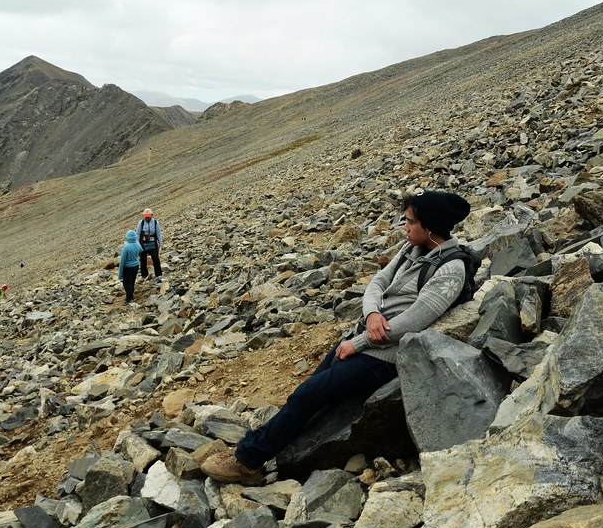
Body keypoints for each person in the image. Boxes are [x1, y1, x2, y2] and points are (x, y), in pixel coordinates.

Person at [201, 189, 472, 484]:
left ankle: (247, 462)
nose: (404, 227)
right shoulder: (412, 249)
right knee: (306, 394)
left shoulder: (451, 270)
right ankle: (257, 448)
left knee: (308, 395)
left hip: (383, 357)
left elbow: (413, 322)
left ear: (430, 225)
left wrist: (357, 343)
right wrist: (371, 315)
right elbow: (377, 283)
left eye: (409, 221)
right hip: (364, 336)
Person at [136, 208, 164, 281]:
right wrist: (137, 245)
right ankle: (144, 275)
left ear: (151, 215)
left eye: (148, 216)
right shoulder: (141, 223)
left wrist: (161, 243)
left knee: (155, 258)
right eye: (146, 216)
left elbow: (159, 233)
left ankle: (158, 274)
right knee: (143, 260)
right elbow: (138, 234)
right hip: (143, 244)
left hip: (153, 244)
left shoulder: (155, 222)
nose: (147, 217)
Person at [119, 229, 143, 304]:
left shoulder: (126, 247)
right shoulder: (137, 243)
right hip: (136, 265)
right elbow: (141, 251)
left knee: (126, 283)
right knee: (132, 281)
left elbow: (122, 262)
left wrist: (120, 275)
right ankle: (131, 296)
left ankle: (128, 299)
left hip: (128, 268)